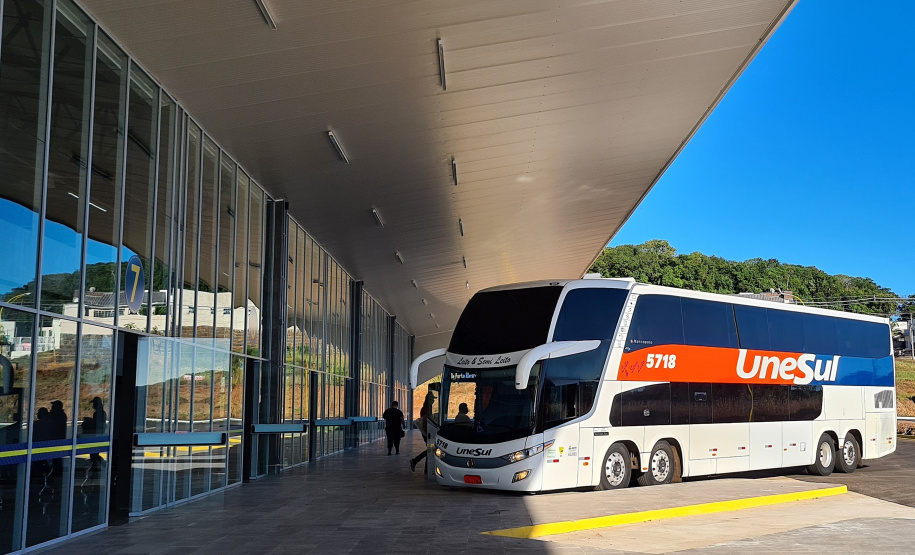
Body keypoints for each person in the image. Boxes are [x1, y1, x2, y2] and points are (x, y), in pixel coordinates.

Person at [410, 392, 435, 472]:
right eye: (432, 399)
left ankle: (426, 469)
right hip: (428, 432)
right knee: (431, 449)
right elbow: (426, 420)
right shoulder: (427, 408)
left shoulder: (425, 407)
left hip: (426, 432)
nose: (433, 401)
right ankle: (415, 461)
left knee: (430, 449)